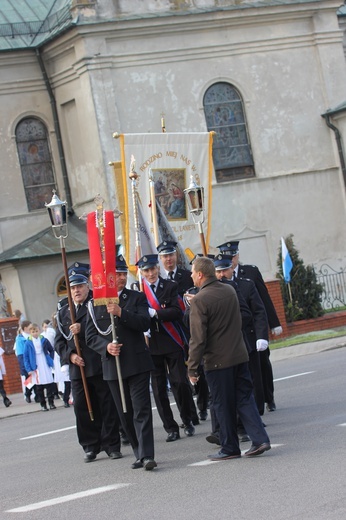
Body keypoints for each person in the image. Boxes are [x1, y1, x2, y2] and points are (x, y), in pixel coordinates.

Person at [187, 256, 271, 460]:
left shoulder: (199, 300)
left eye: (192, 273)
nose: (191, 276)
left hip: (217, 361)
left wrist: (192, 367)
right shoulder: (230, 290)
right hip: (239, 355)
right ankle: (260, 439)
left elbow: (198, 338)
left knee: (222, 404)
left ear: (200, 275)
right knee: (244, 399)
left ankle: (229, 447)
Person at [86, 254, 157, 471]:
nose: (121, 277)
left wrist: (121, 312)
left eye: (123, 273)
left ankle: (147, 455)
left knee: (141, 410)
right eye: (117, 274)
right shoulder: (96, 304)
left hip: (137, 364)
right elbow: (90, 336)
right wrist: (105, 347)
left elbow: (145, 321)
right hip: (112, 367)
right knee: (124, 414)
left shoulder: (136, 298)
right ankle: (138, 452)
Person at [55, 268, 121, 463]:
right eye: (73, 287)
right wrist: (71, 356)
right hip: (78, 368)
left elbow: (104, 331)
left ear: (87, 287)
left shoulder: (96, 306)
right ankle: (90, 446)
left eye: (80, 286)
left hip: (98, 363)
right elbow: (58, 342)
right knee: (82, 408)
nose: (76, 291)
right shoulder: (64, 312)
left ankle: (112, 445)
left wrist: (82, 329)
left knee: (106, 406)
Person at [217, 240, 282, 412]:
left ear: (237, 256)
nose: (231, 260)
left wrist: (273, 324)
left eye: (233, 256)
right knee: (248, 374)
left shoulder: (250, 273)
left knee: (262, 367)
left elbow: (263, 299)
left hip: (253, 331)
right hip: (236, 335)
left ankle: (268, 397)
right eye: (227, 258)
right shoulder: (220, 279)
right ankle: (253, 408)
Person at [137, 253, 196, 441]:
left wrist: (156, 313)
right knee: (159, 388)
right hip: (151, 345)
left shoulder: (170, 286)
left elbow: (177, 312)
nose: (151, 273)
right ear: (142, 272)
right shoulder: (138, 291)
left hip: (171, 341)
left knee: (179, 382)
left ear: (157, 269)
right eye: (146, 270)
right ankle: (170, 427)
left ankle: (187, 420)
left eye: (153, 269)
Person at [157, 241, 204, 423]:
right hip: (171, 334)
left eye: (171, 255)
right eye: (165, 256)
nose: (168, 259)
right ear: (160, 259)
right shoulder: (158, 280)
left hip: (190, 329)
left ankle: (202, 403)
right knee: (180, 376)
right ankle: (191, 409)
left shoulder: (188, 276)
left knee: (197, 366)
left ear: (176, 256)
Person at [23, 323, 55, 412]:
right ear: (30, 332)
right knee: (39, 386)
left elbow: (51, 350)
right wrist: (28, 369)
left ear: (39, 331)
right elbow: (25, 357)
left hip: (45, 362)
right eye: (33, 332)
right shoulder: (28, 343)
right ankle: (43, 404)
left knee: (49, 383)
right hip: (35, 365)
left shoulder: (44, 340)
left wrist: (51, 359)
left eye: (36, 331)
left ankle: (51, 402)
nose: (35, 333)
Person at [14, 320, 37, 403]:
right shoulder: (20, 339)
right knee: (29, 379)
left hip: (32, 359)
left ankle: (34, 394)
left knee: (34, 378)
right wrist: (24, 365)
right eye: (29, 327)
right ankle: (28, 393)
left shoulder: (31, 336)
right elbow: (20, 354)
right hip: (25, 359)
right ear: (25, 328)